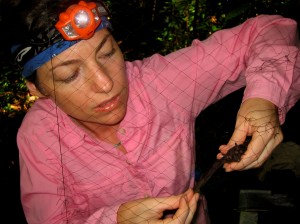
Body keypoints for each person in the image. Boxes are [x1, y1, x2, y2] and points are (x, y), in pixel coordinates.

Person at [1, 0, 300, 223]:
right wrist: (115, 220)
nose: (106, 84)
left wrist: (264, 100)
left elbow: (270, 30)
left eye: (107, 53)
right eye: (70, 76)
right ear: (37, 89)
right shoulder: (40, 136)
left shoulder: (161, 84)